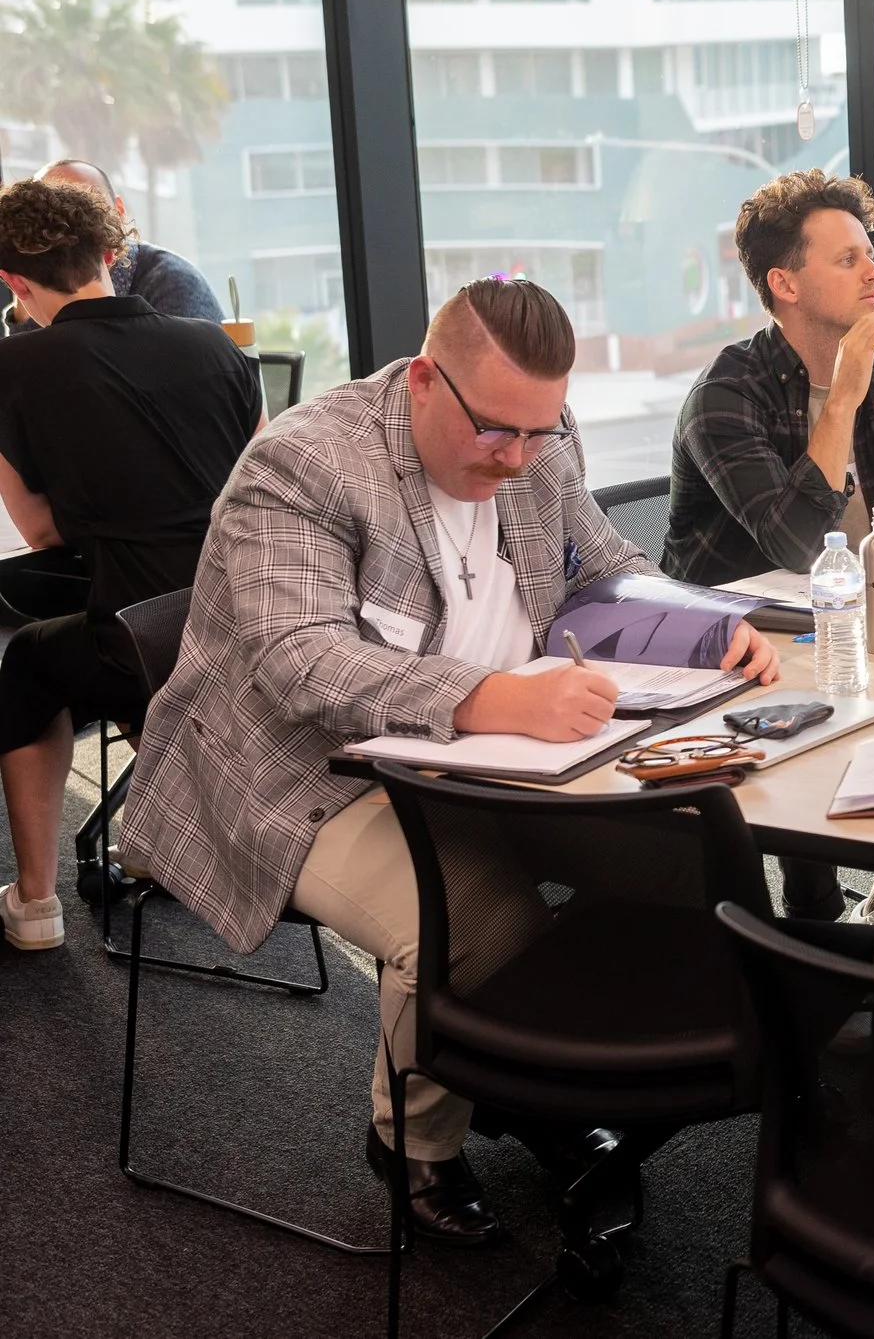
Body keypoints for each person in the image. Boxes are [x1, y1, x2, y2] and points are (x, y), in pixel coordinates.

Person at [120, 278, 780, 1245]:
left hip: (504, 755)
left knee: (681, 864)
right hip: (302, 770)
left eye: (537, 434)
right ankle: (414, 1140)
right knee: (475, 917)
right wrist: (485, 697)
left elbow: (603, 565)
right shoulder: (305, 464)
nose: (517, 460)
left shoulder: (535, 435)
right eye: (495, 433)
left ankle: (544, 1085)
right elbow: (295, 658)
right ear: (425, 380)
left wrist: (709, 626)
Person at [0, 179, 260, 950]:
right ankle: (183, 819)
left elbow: (42, 531)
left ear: (15, 283)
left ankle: (35, 903)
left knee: (26, 664)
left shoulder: (16, 369)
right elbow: (269, 499)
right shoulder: (217, 345)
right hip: (255, 632)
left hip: (143, 648)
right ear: (110, 255)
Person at [662, 169, 874, 586]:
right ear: (785, 284)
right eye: (848, 260)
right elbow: (797, 546)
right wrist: (841, 402)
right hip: (731, 633)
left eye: (869, 255)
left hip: (847, 613)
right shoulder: (725, 394)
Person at [3, 159, 225, 332]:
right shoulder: (34, 282)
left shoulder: (171, 282)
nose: (70, 227)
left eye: (91, 210)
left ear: (119, 211)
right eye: (49, 219)